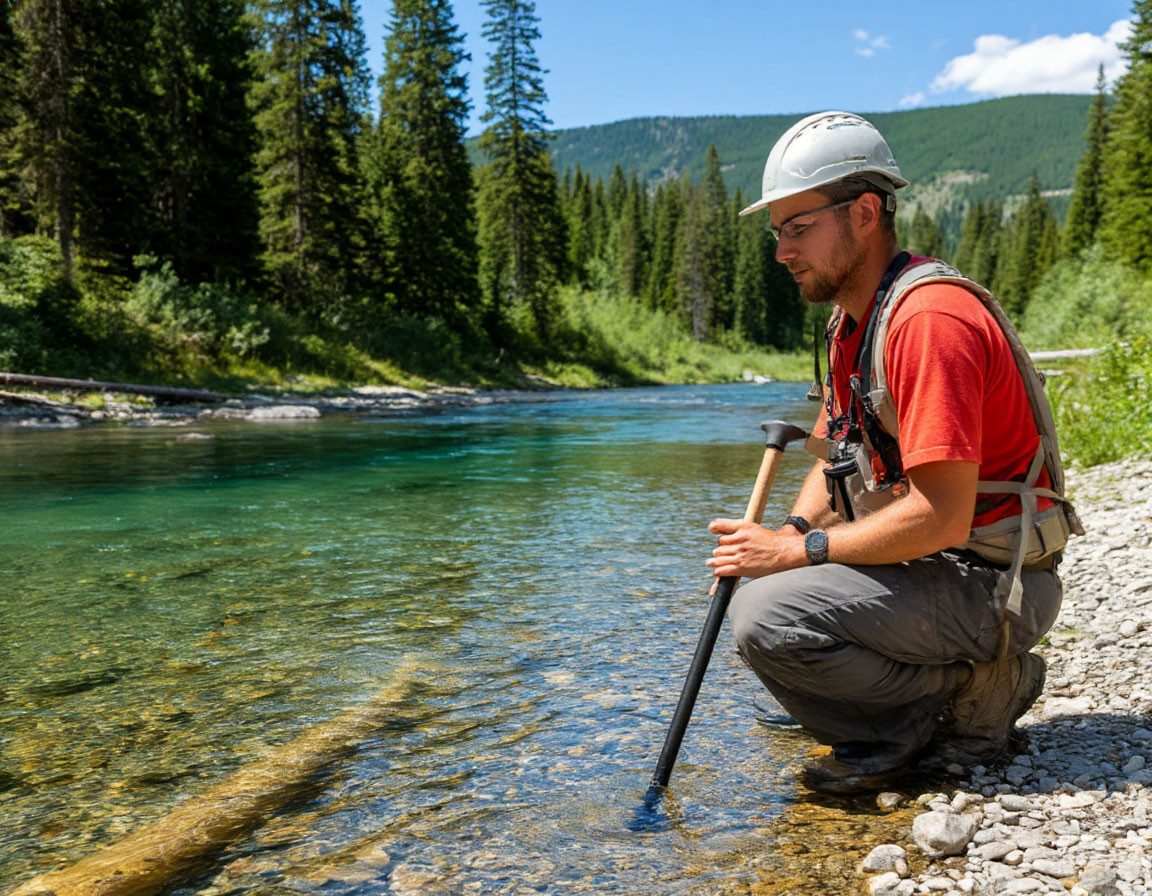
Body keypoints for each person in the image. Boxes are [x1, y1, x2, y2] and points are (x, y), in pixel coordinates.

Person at [708, 111, 1081, 793]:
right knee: (778, 592)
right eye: (778, 233)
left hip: (994, 582)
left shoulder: (927, 322)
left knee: (769, 617)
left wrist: (796, 556)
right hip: (945, 567)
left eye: (798, 229)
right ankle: (919, 696)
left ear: (866, 213)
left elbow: (940, 516)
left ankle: (959, 702)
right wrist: (788, 532)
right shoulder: (857, 318)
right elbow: (837, 448)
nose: (782, 252)